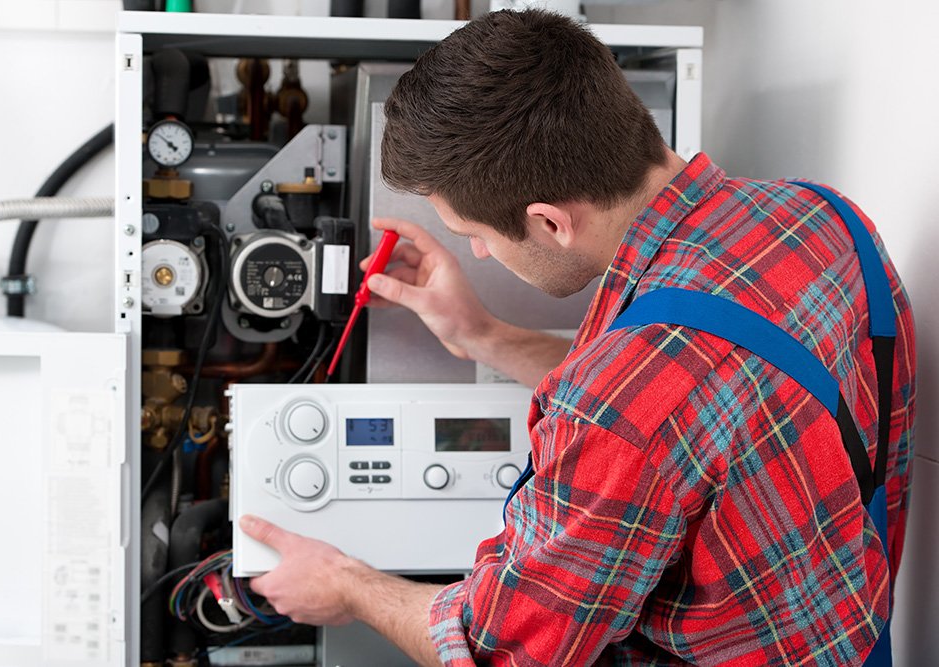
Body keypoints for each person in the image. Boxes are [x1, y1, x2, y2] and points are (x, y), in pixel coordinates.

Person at [240, 9, 916, 666]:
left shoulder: (618, 411)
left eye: (474, 233)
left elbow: (499, 649)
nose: (477, 252)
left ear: (550, 223)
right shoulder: (822, 218)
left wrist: (346, 584)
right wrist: (481, 334)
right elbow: (690, 404)